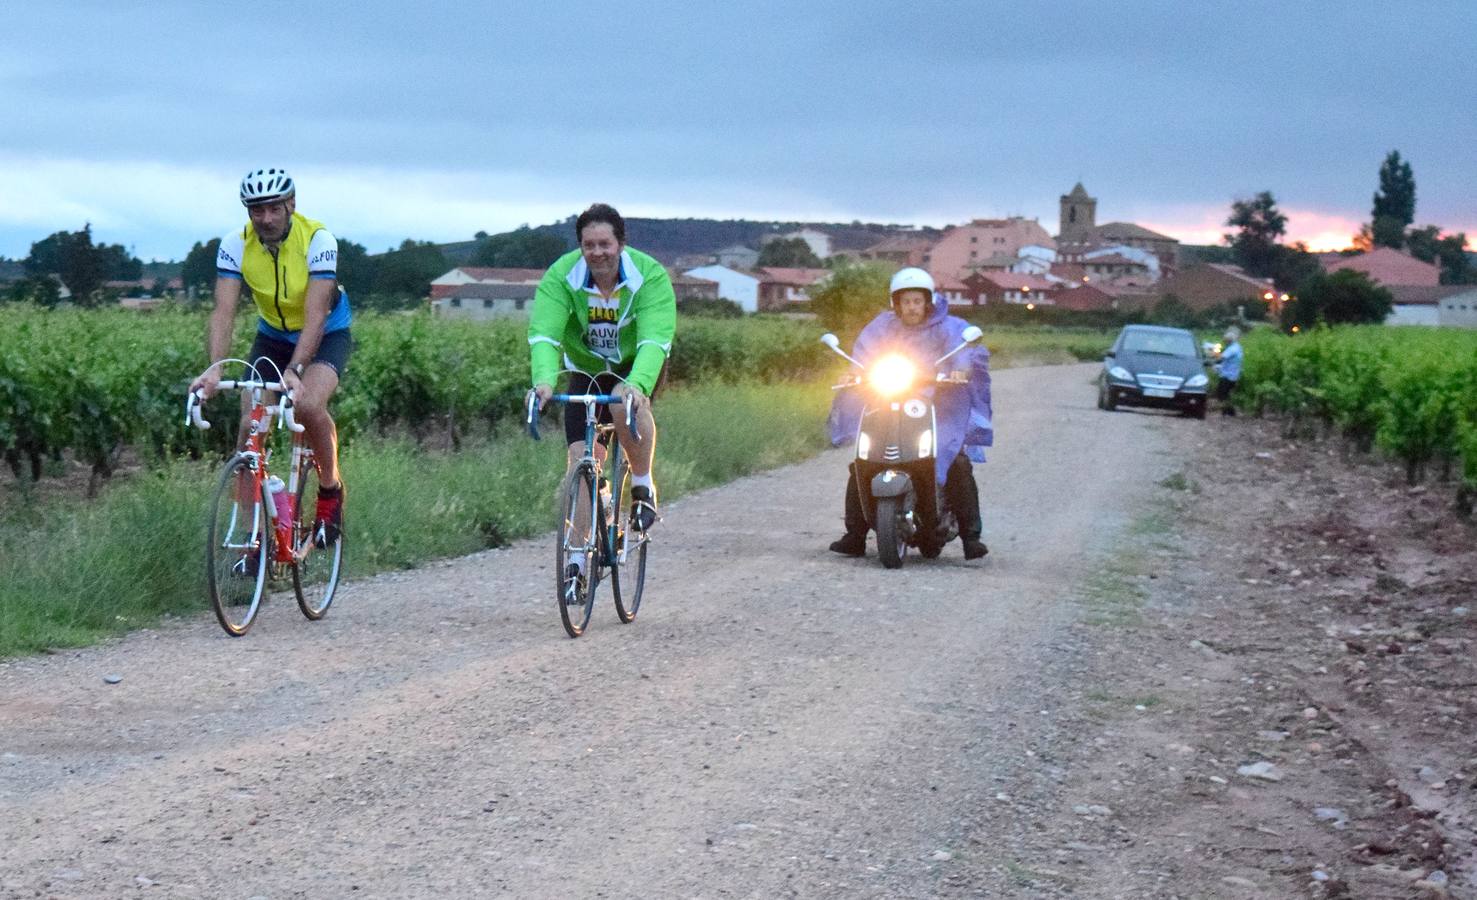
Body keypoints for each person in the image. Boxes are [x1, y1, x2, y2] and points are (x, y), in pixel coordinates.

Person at [188, 167, 352, 551]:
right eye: (256, 211)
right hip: (273, 336)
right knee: (250, 426)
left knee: (309, 405)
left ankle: (330, 491)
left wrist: (295, 371)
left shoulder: (318, 240)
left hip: (327, 332)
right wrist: (214, 368)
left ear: (290, 205)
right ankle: (252, 540)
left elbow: (315, 315)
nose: (265, 219)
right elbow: (224, 311)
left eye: (274, 209)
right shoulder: (234, 244)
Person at [527, 204, 676, 590]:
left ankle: (642, 484)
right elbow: (545, 335)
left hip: (635, 363)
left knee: (619, 401)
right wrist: (543, 381)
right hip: (585, 368)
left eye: (605, 243)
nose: (598, 252)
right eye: (589, 245)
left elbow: (654, 340)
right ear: (580, 246)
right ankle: (577, 560)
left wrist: (637, 384)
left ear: (620, 244)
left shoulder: (650, 276)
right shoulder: (562, 277)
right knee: (580, 459)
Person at [827, 267, 992, 560]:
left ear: (927, 301)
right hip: (889, 399)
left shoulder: (949, 327)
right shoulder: (882, 327)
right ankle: (854, 536)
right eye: (906, 301)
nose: (912, 307)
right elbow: (864, 354)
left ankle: (971, 537)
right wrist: (853, 373)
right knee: (864, 460)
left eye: (917, 301)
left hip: (939, 407)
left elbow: (964, 353)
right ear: (896, 303)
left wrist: (959, 369)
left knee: (957, 462)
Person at [1214, 326, 1243, 416]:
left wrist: (1215, 351)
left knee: (1222, 394)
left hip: (1228, 375)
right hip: (1232, 374)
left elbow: (1220, 358)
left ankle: (1228, 411)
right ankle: (1228, 411)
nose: (1224, 342)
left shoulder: (1232, 349)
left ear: (1229, 340)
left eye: (1225, 340)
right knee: (1226, 394)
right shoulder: (1237, 347)